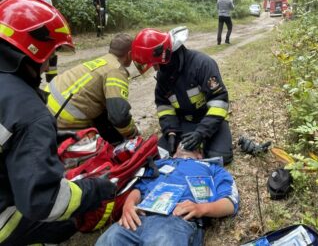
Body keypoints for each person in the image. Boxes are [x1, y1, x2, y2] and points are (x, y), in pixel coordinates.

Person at [0, 0, 117, 245]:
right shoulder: (31, 113)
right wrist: (96, 190)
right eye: (53, 53)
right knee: (64, 218)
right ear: (37, 49)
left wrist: (53, 138)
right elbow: (45, 201)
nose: (48, 64)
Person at [95, 147, 240, 245]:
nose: (185, 144)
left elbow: (230, 202)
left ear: (199, 155)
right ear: (175, 152)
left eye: (192, 146)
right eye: (181, 143)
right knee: (109, 240)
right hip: (138, 217)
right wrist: (128, 205)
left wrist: (201, 208)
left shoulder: (213, 168)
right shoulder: (159, 163)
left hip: (176, 220)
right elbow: (139, 187)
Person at [131, 27, 233, 165]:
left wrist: (201, 133)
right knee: (160, 154)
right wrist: (171, 132)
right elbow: (164, 107)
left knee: (220, 157)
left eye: (155, 64)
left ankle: (207, 142)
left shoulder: (202, 64)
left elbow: (219, 102)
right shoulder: (164, 76)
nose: (155, 69)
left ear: (165, 56)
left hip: (210, 120)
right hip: (184, 122)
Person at [46, 33, 138, 144]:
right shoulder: (116, 71)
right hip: (62, 120)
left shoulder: (102, 61)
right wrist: (133, 133)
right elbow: (119, 117)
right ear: (129, 54)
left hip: (45, 106)